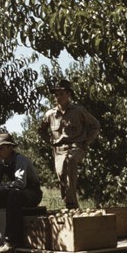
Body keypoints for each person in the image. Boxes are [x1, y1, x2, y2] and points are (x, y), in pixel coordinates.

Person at [0, 132, 43, 253]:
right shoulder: (1, 163)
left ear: (10, 148)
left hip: (32, 194)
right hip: (15, 195)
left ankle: (11, 240)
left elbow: (20, 184)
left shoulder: (20, 160)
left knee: (13, 194)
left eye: (1, 148)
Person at [38, 79, 100, 209]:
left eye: (61, 94)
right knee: (62, 177)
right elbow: (41, 130)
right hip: (58, 150)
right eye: (56, 94)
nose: (58, 97)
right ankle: (71, 205)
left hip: (76, 147)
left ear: (68, 94)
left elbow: (95, 125)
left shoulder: (78, 111)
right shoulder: (50, 114)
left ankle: (72, 205)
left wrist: (86, 142)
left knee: (70, 160)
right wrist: (50, 142)